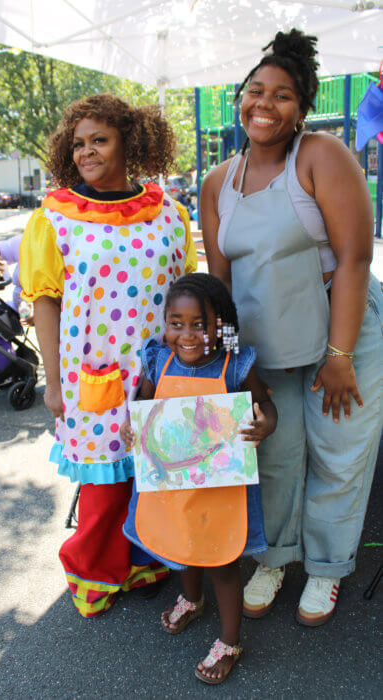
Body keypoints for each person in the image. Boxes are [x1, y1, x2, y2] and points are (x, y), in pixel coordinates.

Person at [201, 28, 383, 627]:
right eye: (256, 91)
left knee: (338, 454)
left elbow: (355, 258)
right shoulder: (215, 183)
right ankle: (276, 558)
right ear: (239, 98)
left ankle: (327, 568)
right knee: (271, 452)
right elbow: (221, 285)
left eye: (283, 95)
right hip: (266, 342)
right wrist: (229, 364)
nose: (264, 104)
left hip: (342, 326)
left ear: (302, 109)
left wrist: (340, 354)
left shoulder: (322, 156)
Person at [19, 93, 197, 618]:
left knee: (157, 474)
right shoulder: (56, 216)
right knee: (105, 486)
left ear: (131, 142)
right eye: (78, 144)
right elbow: (45, 302)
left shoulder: (169, 212)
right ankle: (93, 572)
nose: (87, 153)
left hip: (164, 373)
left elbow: (187, 288)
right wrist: (53, 383)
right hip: (92, 376)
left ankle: (146, 560)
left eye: (100, 140)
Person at [120, 273, 277, 684]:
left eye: (199, 324)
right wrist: (132, 428)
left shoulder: (235, 366)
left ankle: (230, 640)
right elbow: (145, 403)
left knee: (221, 561)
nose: (186, 335)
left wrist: (264, 426)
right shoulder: (159, 359)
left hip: (220, 493)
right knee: (179, 544)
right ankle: (191, 597)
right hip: (172, 486)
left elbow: (264, 405)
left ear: (220, 326)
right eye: (176, 323)